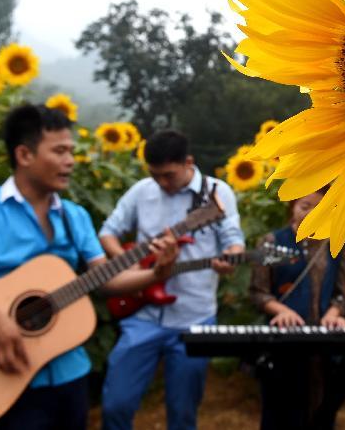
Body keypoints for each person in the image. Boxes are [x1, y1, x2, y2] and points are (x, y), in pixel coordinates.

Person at [0, 104, 178, 430]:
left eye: (72, 151)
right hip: (2, 377)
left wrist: (157, 273)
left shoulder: (75, 216)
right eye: (59, 151)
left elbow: (105, 279)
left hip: (70, 374)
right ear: (24, 155)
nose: (70, 161)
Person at [99, 130, 245, 430]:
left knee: (183, 413)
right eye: (155, 176)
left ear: (188, 162)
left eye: (168, 175)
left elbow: (233, 241)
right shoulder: (142, 191)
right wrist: (133, 266)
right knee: (115, 405)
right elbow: (108, 232)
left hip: (195, 317)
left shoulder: (217, 193)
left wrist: (229, 258)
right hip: (143, 316)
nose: (161, 183)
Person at [248, 188, 345, 430]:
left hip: (323, 343)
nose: (311, 214)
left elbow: (340, 292)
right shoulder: (273, 243)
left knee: (322, 407)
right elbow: (258, 291)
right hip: (285, 340)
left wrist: (334, 314)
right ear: (292, 206)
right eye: (305, 207)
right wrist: (280, 311)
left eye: (319, 209)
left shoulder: (333, 242)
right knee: (281, 409)